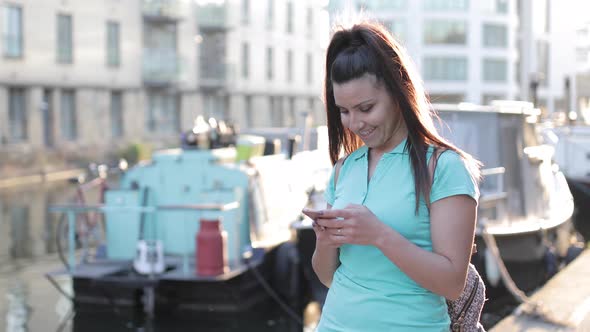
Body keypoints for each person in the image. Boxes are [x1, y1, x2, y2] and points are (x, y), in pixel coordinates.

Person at [307, 21, 481, 331]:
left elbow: (453, 283)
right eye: (344, 112)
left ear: (399, 91)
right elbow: (328, 276)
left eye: (366, 108)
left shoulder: (444, 167)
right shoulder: (344, 169)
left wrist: (379, 235)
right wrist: (324, 239)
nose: (355, 123)